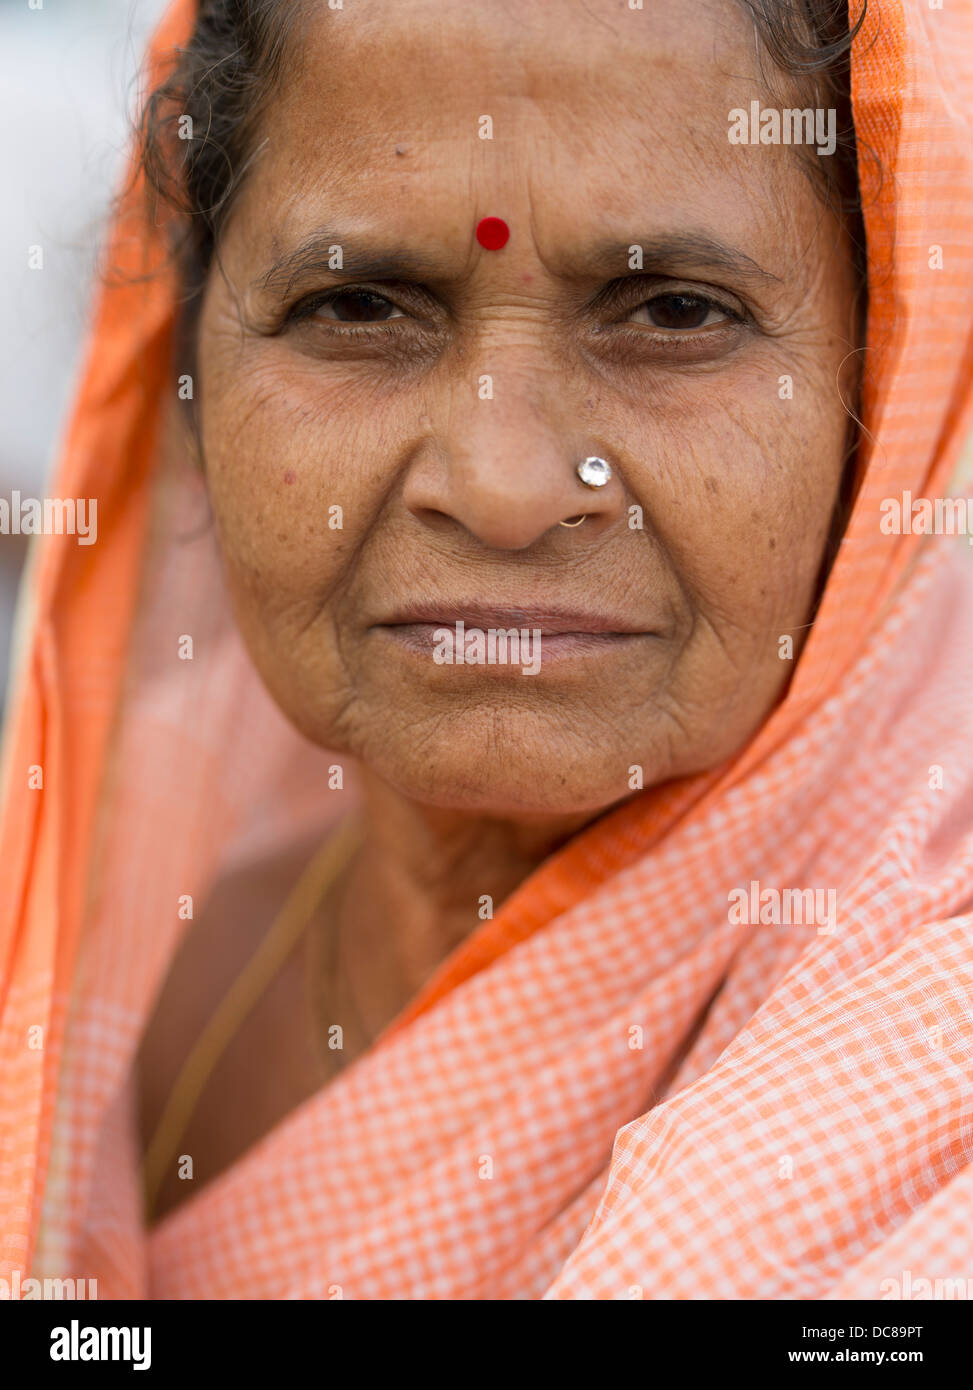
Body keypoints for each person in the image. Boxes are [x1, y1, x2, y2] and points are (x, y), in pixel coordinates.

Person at [2, 0, 973, 1300]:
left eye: (674, 312)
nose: (506, 485)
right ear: (183, 390)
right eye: (358, 304)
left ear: (887, 391)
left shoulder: (929, 1087)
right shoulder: (98, 1007)